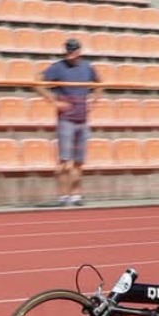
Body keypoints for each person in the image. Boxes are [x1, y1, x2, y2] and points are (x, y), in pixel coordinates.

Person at [37, 38, 100, 206]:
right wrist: (53, 100)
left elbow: (100, 84)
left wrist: (94, 99)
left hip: (82, 119)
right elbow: (37, 82)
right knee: (64, 161)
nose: (70, 55)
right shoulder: (58, 67)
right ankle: (63, 196)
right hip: (66, 120)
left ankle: (76, 195)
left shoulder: (87, 67)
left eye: (73, 52)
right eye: (68, 52)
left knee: (79, 161)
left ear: (79, 51)